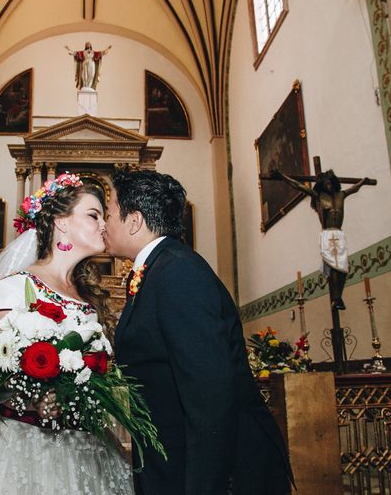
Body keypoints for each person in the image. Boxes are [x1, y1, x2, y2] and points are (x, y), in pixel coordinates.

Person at [0, 174, 133, 495]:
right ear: (61, 223)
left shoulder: (88, 298)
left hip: (84, 441)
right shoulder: (16, 287)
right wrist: (41, 395)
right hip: (18, 439)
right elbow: (2, 360)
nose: (104, 225)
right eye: (93, 215)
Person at [102, 169, 293, 495]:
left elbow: (210, 396)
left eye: (108, 214)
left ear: (134, 221)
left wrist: (204, 486)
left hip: (210, 471)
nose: (104, 224)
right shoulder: (158, 268)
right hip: (174, 460)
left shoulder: (177, 272)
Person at [270, 169, 371, 310]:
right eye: (326, 183)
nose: (329, 185)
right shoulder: (319, 196)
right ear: (322, 184)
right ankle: (335, 298)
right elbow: (298, 186)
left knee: (343, 268)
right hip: (328, 234)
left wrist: (363, 181)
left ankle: (339, 298)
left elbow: (354, 189)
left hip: (339, 234)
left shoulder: (341, 195)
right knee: (333, 267)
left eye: (331, 182)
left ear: (334, 183)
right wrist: (282, 176)